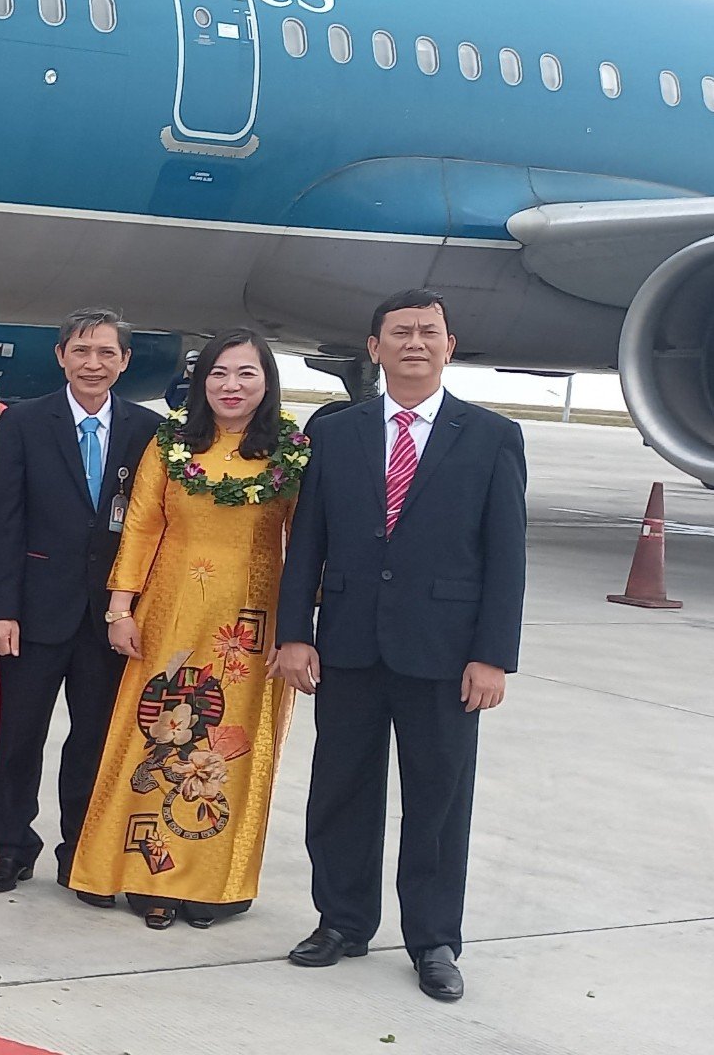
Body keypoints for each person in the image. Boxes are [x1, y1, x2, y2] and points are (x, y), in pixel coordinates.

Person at [275, 288, 526, 1004]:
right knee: (341, 791)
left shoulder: (491, 436)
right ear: (375, 347)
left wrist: (492, 655)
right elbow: (308, 544)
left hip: (445, 654)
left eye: (428, 332)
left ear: (449, 346)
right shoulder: (336, 433)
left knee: (438, 802)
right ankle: (342, 920)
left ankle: (434, 939)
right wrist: (297, 633)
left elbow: (506, 556)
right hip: (349, 647)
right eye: (399, 333)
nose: (414, 343)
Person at [70, 330, 303, 929]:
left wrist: (300, 630)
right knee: (155, 737)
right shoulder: (171, 442)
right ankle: (142, 875)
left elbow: (308, 546)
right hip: (169, 614)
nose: (231, 386)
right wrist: (120, 609)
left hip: (248, 629)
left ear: (267, 382)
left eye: (246, 374)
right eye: (219, 373)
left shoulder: (290, 452)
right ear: (202, 382)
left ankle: (214, 884)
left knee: (232, 744)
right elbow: (141, 527)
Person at [0, 308, 165, 896]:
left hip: (107, 617)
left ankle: (79, 849)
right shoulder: (25, 423)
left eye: (107, 353)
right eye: (82, 351)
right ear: (60, 356)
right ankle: (11, 847)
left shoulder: (147, 430)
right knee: (19, 737)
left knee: (93, 737)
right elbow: (5, 522)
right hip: (34, 611)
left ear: (125, 361)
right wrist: (1, 609)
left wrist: (131, 608)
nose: (94, 364)